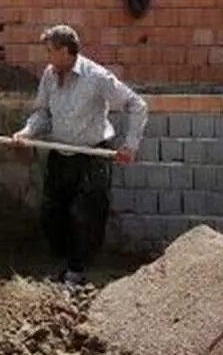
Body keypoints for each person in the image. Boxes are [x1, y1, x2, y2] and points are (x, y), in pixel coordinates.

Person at [12, 24, 148, 288]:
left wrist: (130, 145)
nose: (47, 57)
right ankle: (65, 267)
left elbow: (137, 105)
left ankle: (77, 273)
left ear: (65, 51)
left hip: (91, 157)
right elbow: (43, 113)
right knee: (54, 213)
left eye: (50, 51)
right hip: (60, 155)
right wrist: (27, 132)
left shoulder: (96, 77)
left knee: (84, 216)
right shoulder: (50, 76)